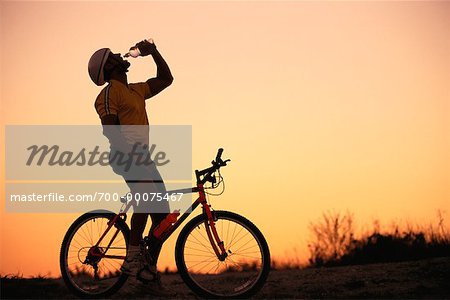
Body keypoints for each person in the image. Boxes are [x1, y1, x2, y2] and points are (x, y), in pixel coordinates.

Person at [88, 39, 175, 296]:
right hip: (124, 155)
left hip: (144, 158)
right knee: (146, 199)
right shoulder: (107, 93)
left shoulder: (136, 90)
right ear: (109, 66)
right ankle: (132, 256)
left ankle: (146, 271)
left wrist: (154, 52)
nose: (119, 54)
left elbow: (166, 78)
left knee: (164, 219)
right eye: (113, 55)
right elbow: (110, 128)